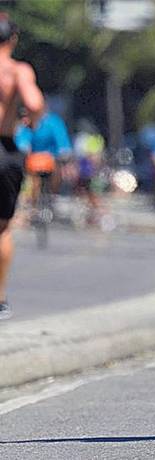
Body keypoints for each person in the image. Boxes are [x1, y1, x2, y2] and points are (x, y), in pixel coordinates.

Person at [0, 13, 44, 319]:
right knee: (2, 229)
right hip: (5, 148)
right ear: (13, 39)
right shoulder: (16, 71)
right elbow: (35, 103)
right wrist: (31, 120)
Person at [15, 106, 72, 210]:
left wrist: (64, 152)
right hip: (32, 161)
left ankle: (53, 196)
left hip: (52, 160)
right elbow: (22, 141)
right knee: (32, 177)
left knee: (57, 170)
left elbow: (62, 141)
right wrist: (24, 148)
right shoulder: (25, 125)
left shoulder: (53, 122)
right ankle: (32, 202)